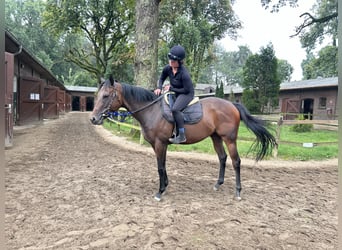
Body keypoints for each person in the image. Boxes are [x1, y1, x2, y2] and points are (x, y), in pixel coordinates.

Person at [154, 45, 194, 144]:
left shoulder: (184, 74)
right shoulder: (168, 68)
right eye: (170, 60)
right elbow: (162, 78)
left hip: (186, 94)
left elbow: (186, 90)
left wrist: (171, 88)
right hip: (176, 91)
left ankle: (181, 135)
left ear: (179, 62)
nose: (171, 62)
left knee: (175, 109)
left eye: (173, 61)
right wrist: (159, 87)